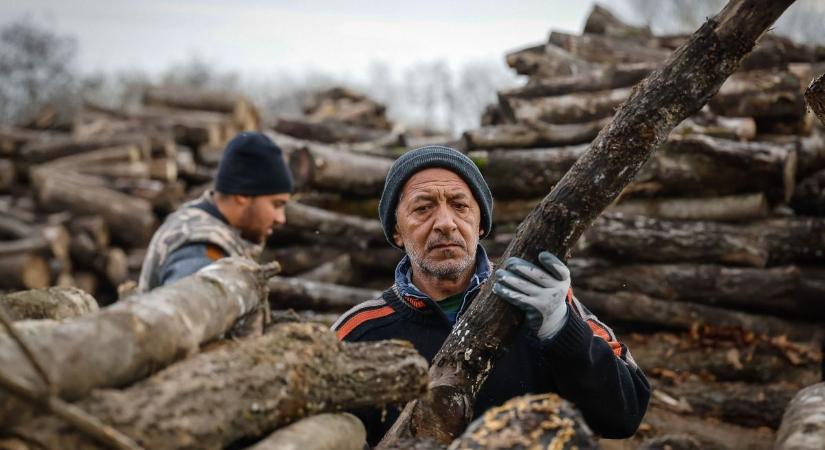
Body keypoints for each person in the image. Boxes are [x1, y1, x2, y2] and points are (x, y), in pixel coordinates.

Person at [331, 146, 649, 446]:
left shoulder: (541, 302)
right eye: (423, 208)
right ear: (397, 231)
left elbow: (625, 415)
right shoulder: (360, 331)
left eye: (460, 205)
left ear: (480, 222)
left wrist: (561, 329)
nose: (445, 223)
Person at [137, 132, 292, 293]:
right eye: (276, 205)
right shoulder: (200, 248)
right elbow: (189, 309)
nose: (281, 218)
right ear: (243, 195)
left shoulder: (203, 221)